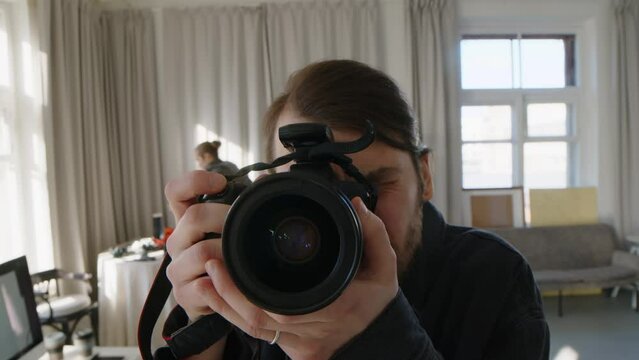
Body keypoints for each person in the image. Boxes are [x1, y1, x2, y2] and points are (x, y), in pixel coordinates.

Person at [158, 60, 550, 359]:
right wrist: (204, 324)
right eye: (312, 190)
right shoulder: (254, 273)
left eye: (374, 184)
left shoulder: (493, 277)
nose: (354, 215)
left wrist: (381, 341)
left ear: (424, 176)